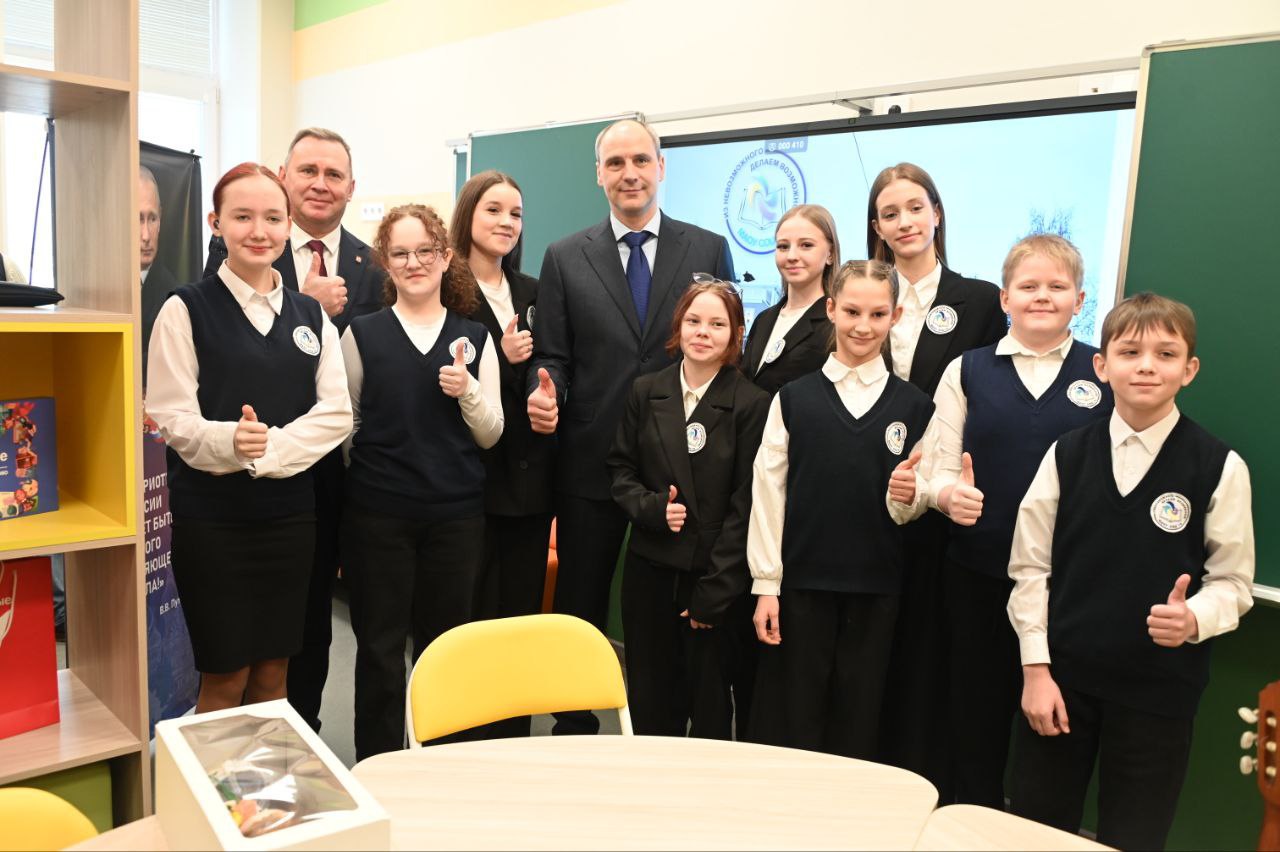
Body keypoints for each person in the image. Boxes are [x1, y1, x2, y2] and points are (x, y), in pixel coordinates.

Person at [1005, 292, 1254, 850]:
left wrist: (1194, 618)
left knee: (1134, 836)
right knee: (1034, 831)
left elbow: (1234, 583)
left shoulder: (1219, 466)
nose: (1146, 366)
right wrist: (1036, 670)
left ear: (1189, 369)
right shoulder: (1066, 455)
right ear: (1102, 365)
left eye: (1166, 354)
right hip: (1061, 685)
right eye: (1130, 352)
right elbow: (1030, 567)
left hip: (1158, 694)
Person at [526, 118, 734, 735]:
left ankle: (668, 731)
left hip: (680, 467)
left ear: (661, 167)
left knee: (665, 607)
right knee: (580, 601)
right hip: (590, 460)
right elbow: (553, 355)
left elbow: (724, 350)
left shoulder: (707, 249)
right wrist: (546, 390)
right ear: (598, 174)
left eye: (641, 160)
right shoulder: (565, 256)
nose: (630, 174)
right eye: (615, 163)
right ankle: (572, 725)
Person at [146, 162, 352, 713]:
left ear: (288, 226)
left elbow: (336, 413)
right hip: (213, 522)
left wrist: (266, 452)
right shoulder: (185, 309)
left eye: (272, 218)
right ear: (216, 223)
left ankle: (264, 775)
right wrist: (231, 444)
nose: (259, 231)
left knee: (273, 673)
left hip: (290, 520)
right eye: (242, 217)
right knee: (225, 675)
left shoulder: (311, 315)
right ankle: (213, 775)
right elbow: (171, 416)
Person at [920, 234, 1113, 807]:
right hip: (976, 580)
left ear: (1080, 300)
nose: (1042, 297)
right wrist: (947, 496)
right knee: (972, 726)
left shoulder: (1104, 373)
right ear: (1005, 298)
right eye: (1028, 286)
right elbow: (934, 471)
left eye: (1057, 286)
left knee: (1052, 741)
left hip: (1068, 591)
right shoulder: (967, 370)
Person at [203, 128, 384, 730]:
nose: (320, 184)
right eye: (308, 171)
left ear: (351, 188)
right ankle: (229, 756)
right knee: (233, 645)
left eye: (334, 174)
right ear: (284, 177)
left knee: (307, 623)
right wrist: (300, 303)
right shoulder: (242, 247)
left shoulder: (374, 264)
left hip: (334, 476)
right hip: (233, 484)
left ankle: (300, 736)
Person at [746, 260, 933, 758]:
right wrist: (766, 585)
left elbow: (914, 504)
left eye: (877, 314)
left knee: (859, 725)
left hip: (877, 592)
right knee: (796, 721)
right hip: (801, 588)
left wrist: (909, 497)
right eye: (851, 311)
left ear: (895, 316)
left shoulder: (916, 408)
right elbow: (768, 495)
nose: (863, 326)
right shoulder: (792, 399)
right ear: (831, 309)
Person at [340, 204, 503, 759]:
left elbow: (491, 435)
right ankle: (380, 766)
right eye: (401, 253)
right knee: (380, 651)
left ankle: (441, 767)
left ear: (446, 256)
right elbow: (349, 425)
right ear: (386, 263)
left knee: (444, 652)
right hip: (378, 519)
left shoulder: (474, 337)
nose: (414, 263)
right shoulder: (361, 334)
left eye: (424, 251)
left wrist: (468, 391)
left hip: (455, 520)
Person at [866, 162, 1006, 793]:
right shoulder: (865, 293)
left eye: (915, 208)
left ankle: (924, 783)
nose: (905, 222)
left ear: (937, 213)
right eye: (890, 213)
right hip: (865, 494)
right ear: (877, 227)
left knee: (926, 650)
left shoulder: (979, 301)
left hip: (939, 506)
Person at [607, 276, 769, 738]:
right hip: (650, 574)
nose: (703, 332)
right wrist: (651, 508)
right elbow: (620, 469)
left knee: (710, 707)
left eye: (717, 324)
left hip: (713, 581)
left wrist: (714, 593)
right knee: (651, 701)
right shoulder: (646, 391)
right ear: (678, 326)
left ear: (736, 334)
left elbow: (746, 506)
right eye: (694, 320)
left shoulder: (752, 404)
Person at [449, 170, 555, 738]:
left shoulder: (534, 291)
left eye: (515, 213)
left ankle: (512, 739)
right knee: (469, 620)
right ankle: (461, 737)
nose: (506, 222)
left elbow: (553, 368)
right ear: (468, 213)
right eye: (493, 210)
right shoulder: (445, 289)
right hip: (468, 484)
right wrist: (503, 357)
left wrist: (542, 386)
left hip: (530, 484)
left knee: (519, 619)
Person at [741, 204, 839, 394]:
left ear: (831, 254)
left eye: (806, 245)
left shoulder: (835, 323)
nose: (792, 256)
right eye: (783, 246)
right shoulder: (763, 319)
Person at [140, 165, 178, 364]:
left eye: (152, 219)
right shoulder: (101, 287)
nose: (146, 235)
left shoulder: (173, 296)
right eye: (138, 219)